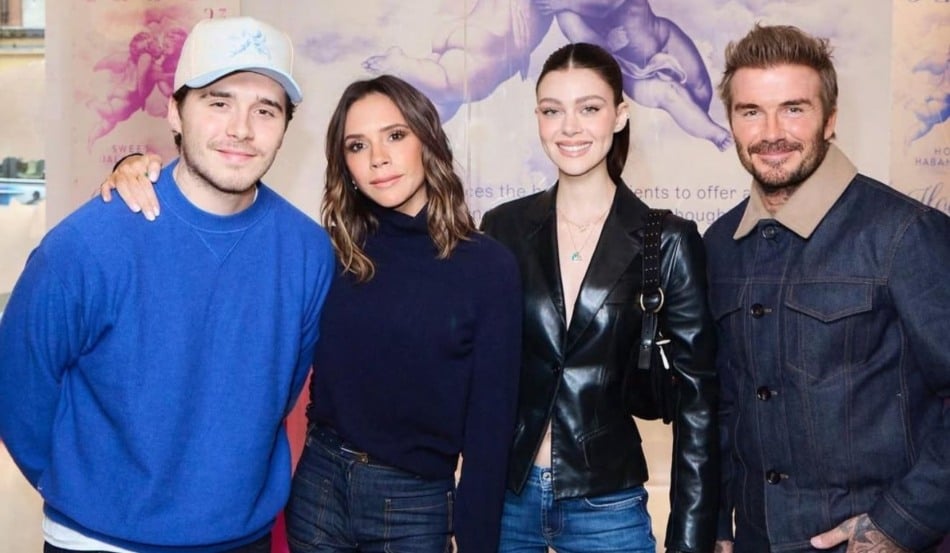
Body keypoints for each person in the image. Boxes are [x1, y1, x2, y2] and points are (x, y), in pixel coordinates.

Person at [100, 75, 523, 553]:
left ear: (428, 140)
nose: (378, 158)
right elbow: (220, 214)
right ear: (345, 166)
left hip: (413, 504)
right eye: (357, 145)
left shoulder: (487, 268)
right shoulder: (328, 252)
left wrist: (476, 539)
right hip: (318, 487)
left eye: (395, 135)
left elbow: (492, 428)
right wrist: (133, 170)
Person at [0, 16, 335, 553]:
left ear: (285, 126)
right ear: (175, 112)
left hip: (241, 539)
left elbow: (279, 392)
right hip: (99, 541)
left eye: (265, 110)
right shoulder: (88, 244)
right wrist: (87, 494)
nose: (241, 128)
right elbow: (17, 389)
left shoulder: (308, 252)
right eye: (218, 102)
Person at [705, 24, 950, 553]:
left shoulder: (906, 233)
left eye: (794, 108)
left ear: (830, 119)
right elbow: (722, 404)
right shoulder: (719, 244)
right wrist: (718, 525)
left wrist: (898, 524)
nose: (772, 132)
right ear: (731, 122)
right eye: (751, 111)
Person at [480, 42, 719, 553]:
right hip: (506, 498)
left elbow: (698, 404)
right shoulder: (502, 228)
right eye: (552, 111)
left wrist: (691, 541)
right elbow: (478, 372)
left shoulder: (667, 241)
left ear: (620, 115)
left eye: (589, 108)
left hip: (606, 505)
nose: (569, 128)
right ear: (538, 118)